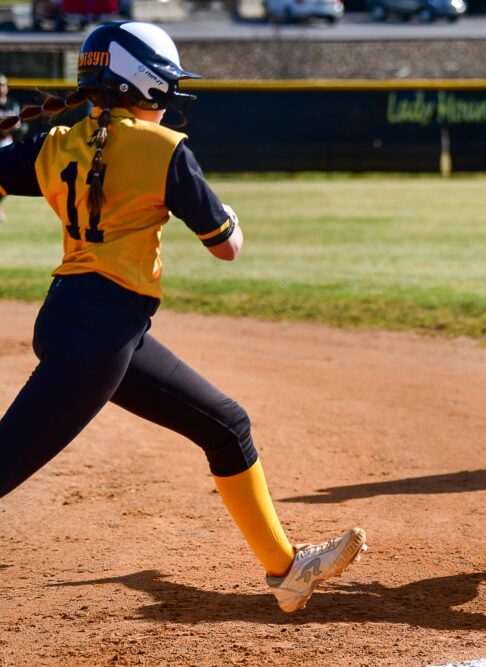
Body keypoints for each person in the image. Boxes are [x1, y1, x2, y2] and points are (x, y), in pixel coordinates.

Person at [0, 21, 365, 613]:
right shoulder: (163, 148)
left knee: (226, 426)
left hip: (99, 329)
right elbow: (226, 246)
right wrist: (233, 217)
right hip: (98, 338)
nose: (171, 96)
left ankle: (286, 571)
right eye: (165, 85)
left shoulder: (53, 141)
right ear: (142, 87)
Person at [0, 74, 23, 221]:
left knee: (9, 178)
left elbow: (18, 123)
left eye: (2, 85)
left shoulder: (12, 103)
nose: (1, 88)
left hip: (7, 143)